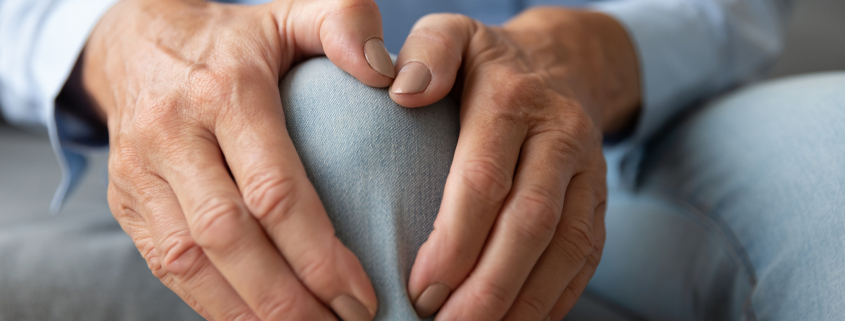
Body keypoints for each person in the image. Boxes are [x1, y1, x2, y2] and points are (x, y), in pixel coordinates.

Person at [1, 0, 843, 320]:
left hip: (619, 122)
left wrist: (580, 50)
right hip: (181, 157)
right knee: (357, 125)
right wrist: (115, 38)